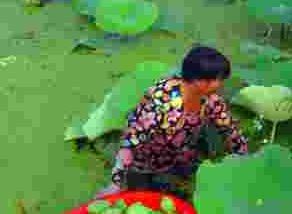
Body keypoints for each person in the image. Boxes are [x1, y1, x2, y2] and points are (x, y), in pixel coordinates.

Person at [101, 46, 249, 197]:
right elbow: (130, 143)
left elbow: (230, 130)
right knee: (142, 196)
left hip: (182, 155)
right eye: (219, 79)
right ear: (200, 81)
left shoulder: (211, 100)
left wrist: (245, 160)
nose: (221, 84)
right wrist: (115, 182)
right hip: (145, 162)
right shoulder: (160, 101)